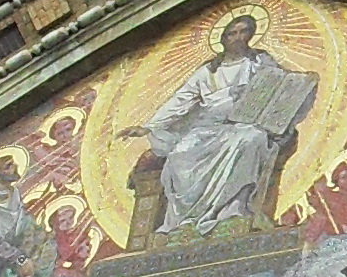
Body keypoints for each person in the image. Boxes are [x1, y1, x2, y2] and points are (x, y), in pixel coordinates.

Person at [131, 14, 317, 235]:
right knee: (180, 155)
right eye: (232, 33)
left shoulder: (259, 61)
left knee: (251, 140)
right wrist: (149, 126)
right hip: (207, 128)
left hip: (245, 124)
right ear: (223, 38)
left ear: (251, 35)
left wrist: (302, 82)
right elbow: (181, 99)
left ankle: (235, 209)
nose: (237, 38)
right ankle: (186, 220)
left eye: (243, 32)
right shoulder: (208, 71)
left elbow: (279, 82)